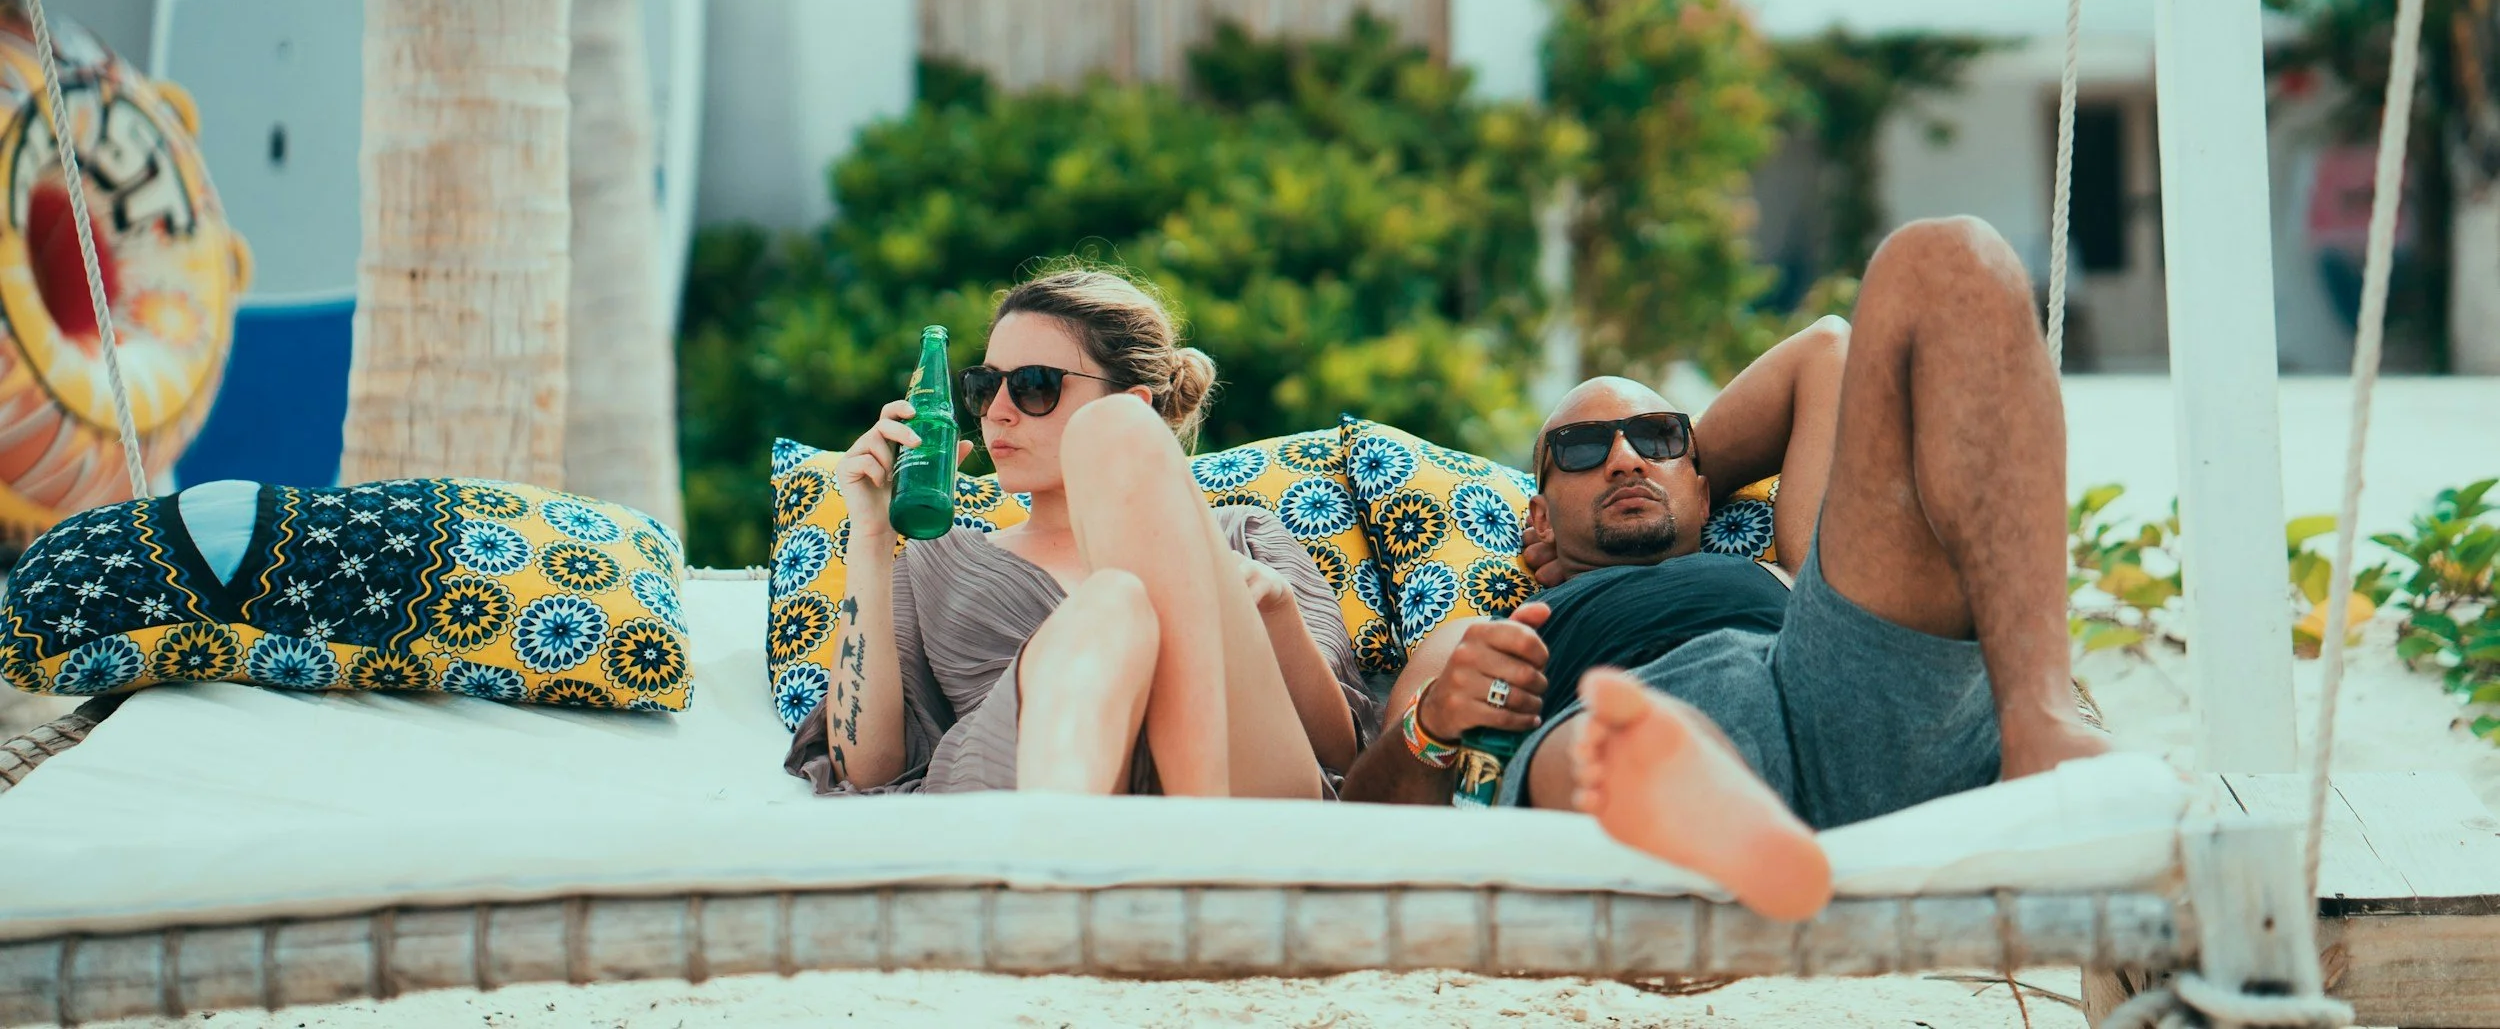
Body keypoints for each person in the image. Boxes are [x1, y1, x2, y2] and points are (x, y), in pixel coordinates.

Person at [1342, 217, 2109, 922]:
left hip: (1832, 672)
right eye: (1580, 449)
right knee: (1606, 742)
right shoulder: (1482, 635)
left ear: (1706, 486)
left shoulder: (1801, 557)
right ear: (1535, 519)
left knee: (1951, 256)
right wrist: (1436, 723)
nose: (1623, 457)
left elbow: (1829, 348)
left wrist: (1666, 471)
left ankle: (2041, 725)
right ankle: (1717, 820)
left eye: (1657, 437)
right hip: (1636, 711)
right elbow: (1370, 821)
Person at [786, 267, 1377, 799]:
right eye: (985, 386)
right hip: (1025, 776)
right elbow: (867, 770)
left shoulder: (1244, 537)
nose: (997, 412)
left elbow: (1340, 755)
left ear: (1140, 400)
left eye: (1035, 386)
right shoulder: (935, 560)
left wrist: (1271, 608)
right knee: (1114, 603)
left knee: (1112, 454)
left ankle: (1180, 849)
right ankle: (1081, 855)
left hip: (1240, 785)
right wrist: (868, 531)